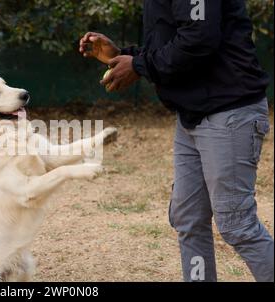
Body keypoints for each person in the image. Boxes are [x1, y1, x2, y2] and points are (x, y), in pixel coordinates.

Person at [80, 0, 273, 282]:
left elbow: (200, 37)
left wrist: (138, 65)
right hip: (191, 116)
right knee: (189, 219)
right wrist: (124, 56)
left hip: (228, 112)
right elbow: (174, 40)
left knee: (237, 225)